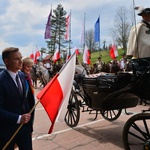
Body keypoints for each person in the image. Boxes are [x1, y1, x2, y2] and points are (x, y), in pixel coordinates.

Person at [0, 47, 33, 149]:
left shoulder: (22, 76)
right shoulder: (1, 80)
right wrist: (18, 118)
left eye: (21, 58)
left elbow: (25, 102)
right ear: (6, 61)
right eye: (16, 59)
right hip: (8, 130)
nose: (20, 62)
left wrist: (29, 126)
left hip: (25, 128)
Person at [21, 56, 35, 133]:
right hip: (24, 110)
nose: (29, 68)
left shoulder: (28, 78)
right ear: (22, 66)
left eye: (31, 66)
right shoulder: (21, 78)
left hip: (30, 107)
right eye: (27, 66)